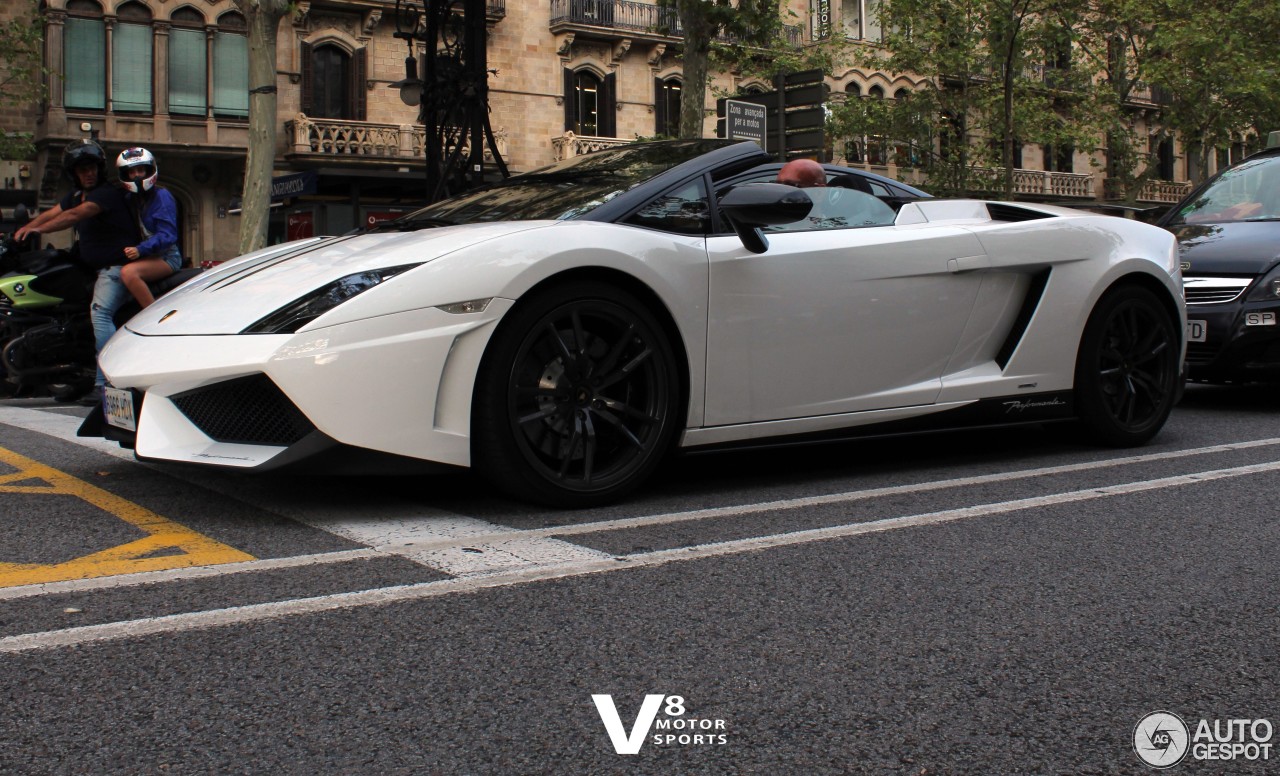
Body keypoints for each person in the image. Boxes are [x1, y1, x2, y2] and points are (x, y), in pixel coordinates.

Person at [15, 139, 140, 406]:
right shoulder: (74, 196)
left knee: (101, 314)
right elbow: (54, 212)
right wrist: (22, 231)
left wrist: (39, 231)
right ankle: (73, 372)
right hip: (89, 270)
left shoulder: (105, 194)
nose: (89, 173)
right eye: (83, 169)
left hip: (114, 269)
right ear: (73, 173)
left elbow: (75, 216)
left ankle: (105, 383)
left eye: (93, 167)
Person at [116, 147, 183, 308]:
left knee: (129, 273)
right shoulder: (130, 199)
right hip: (148, 256)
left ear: (148, 170)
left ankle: (150, 315)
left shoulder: (161, 196)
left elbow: (167, 235)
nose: (137, 175)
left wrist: (141, 249)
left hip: (166, 257)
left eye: (140, 170)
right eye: (132, 172)